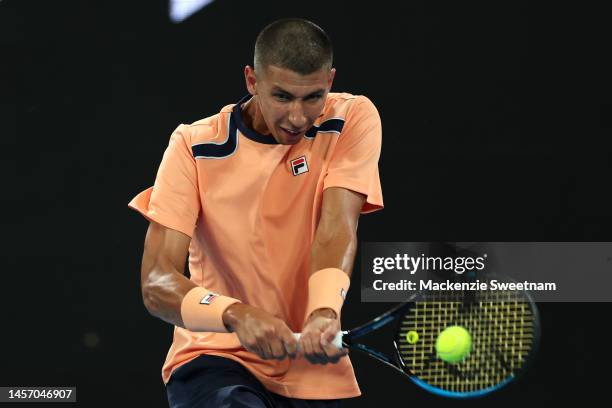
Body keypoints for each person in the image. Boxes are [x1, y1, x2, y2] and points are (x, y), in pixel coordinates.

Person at [129, 18, 383, 407]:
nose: (298, 117)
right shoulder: (193, 146)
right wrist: (236, 314)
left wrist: (323, 310)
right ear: (252, 80)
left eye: (312, 97)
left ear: (330, 81)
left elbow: (336, 228)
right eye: (282, 97)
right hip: (217, 360)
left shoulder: (353, 117)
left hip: (312, 369)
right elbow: (157, 282)